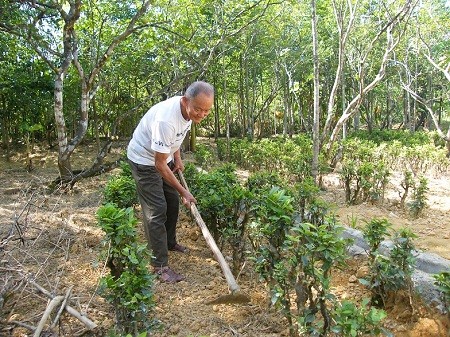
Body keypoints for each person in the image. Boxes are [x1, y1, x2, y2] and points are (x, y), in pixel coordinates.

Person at [127, 81, 214, 283]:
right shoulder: (166, 120)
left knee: (172, 203)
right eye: (199, 109)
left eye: (207, 111)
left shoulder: (189, 111)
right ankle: (159, 265)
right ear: (185, 102)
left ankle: (169, 242)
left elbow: (176, 136)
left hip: (163, 158)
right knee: (157, 210)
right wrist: (184, 191)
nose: (202, 114)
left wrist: (178, 157)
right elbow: (158, 164)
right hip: (144, 161)